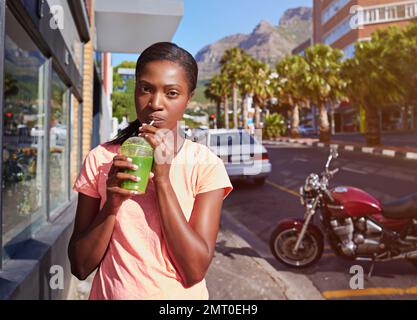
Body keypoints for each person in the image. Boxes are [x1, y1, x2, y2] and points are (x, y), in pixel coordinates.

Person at [68, 42, 233, 300]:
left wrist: (164, 181)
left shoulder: (206, 165)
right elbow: (79, 266)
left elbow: (194, 270)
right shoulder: (100, 159)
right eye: (146, 89)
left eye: (172, 93)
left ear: (188, 98)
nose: (155, 103)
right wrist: (111, 205)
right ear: (135, 90)